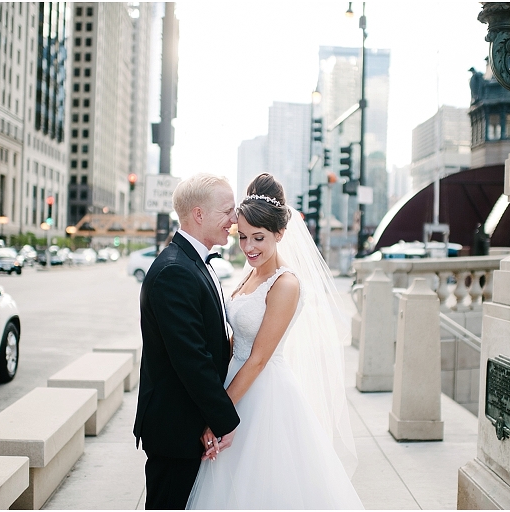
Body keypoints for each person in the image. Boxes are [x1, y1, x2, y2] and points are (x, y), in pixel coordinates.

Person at [187, 173, 364, 509]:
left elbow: (258, 359)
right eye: (243, 237)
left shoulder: (285, 284)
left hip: (262, 391)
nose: (249, 247)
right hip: (234, 380)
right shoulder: (252, 273)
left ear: (280, 234)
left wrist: (219, 414)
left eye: (259, 238)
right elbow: (235, 338)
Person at [133, 173, 241, 510]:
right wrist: (225, 420)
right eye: (227, 211)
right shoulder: (174, 271)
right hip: (175, 428)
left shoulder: (193, 262)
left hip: (189, 421)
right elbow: (192, 359)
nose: (235, 219)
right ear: (199, 214)